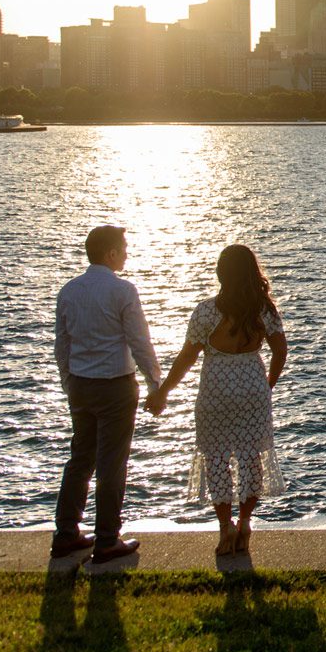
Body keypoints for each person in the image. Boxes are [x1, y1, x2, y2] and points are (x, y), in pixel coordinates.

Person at [150, 245, 288, 556]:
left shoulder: (206, 312)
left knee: (217, 459)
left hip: (215, 391)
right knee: (252, 458)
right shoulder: (264, 311)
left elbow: (186, 358)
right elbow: (280, 351)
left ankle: (225, 527)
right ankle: (245, 522)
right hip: (252, 388)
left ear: (220, 273)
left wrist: (164, 391)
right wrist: (268, 386)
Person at [53, 225, 161, 563]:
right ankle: (107, 538)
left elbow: (63, 344)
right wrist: (156, 382)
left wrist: (67, 381)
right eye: (123, 248)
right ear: (109, 254)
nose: (127, 253)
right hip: (115, 385)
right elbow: (139, 342)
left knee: (80, 458)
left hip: (81, 385)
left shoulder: (69, 291)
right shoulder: (123, 291)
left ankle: (67, 532)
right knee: (112, 464)